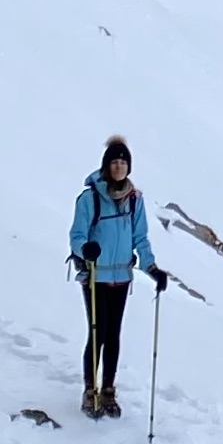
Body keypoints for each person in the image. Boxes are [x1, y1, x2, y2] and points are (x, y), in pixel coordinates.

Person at [68, 138, 168, 419]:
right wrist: (84, 249)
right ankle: (91, 390)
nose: (119, 166)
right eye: (115, 162)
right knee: (97, 334)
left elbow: (140, 238)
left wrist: (152, 268)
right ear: (107, 165)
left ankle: (108, 389)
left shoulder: (134, 200)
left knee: (112, 335)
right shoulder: (89, 198)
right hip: (96, 276)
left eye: (123, 162)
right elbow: (77, 235)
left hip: (121, 277)